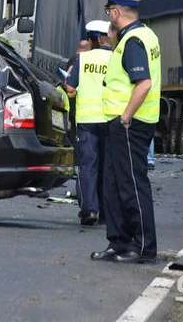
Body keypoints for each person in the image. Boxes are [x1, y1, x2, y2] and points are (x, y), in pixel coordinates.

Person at [91, 0, 161, 263]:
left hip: (130, 124)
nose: (108, 17)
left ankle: (143, 247)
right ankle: (118, 242)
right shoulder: (142, 35)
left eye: (109, 12)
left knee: (131, 184)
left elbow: (143, 83)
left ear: (116, 12)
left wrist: (125, 117)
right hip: (122, 124)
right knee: (113, 184)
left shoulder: (133, 41)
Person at [65, 20, 113, 226]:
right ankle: (105, 212)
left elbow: (70, 88)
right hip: (111, 119)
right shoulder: (116, 59)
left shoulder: (82, 59)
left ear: (93, 39)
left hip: (86, 121)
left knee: (87, 166)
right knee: (107, 167)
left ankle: (89, 210)